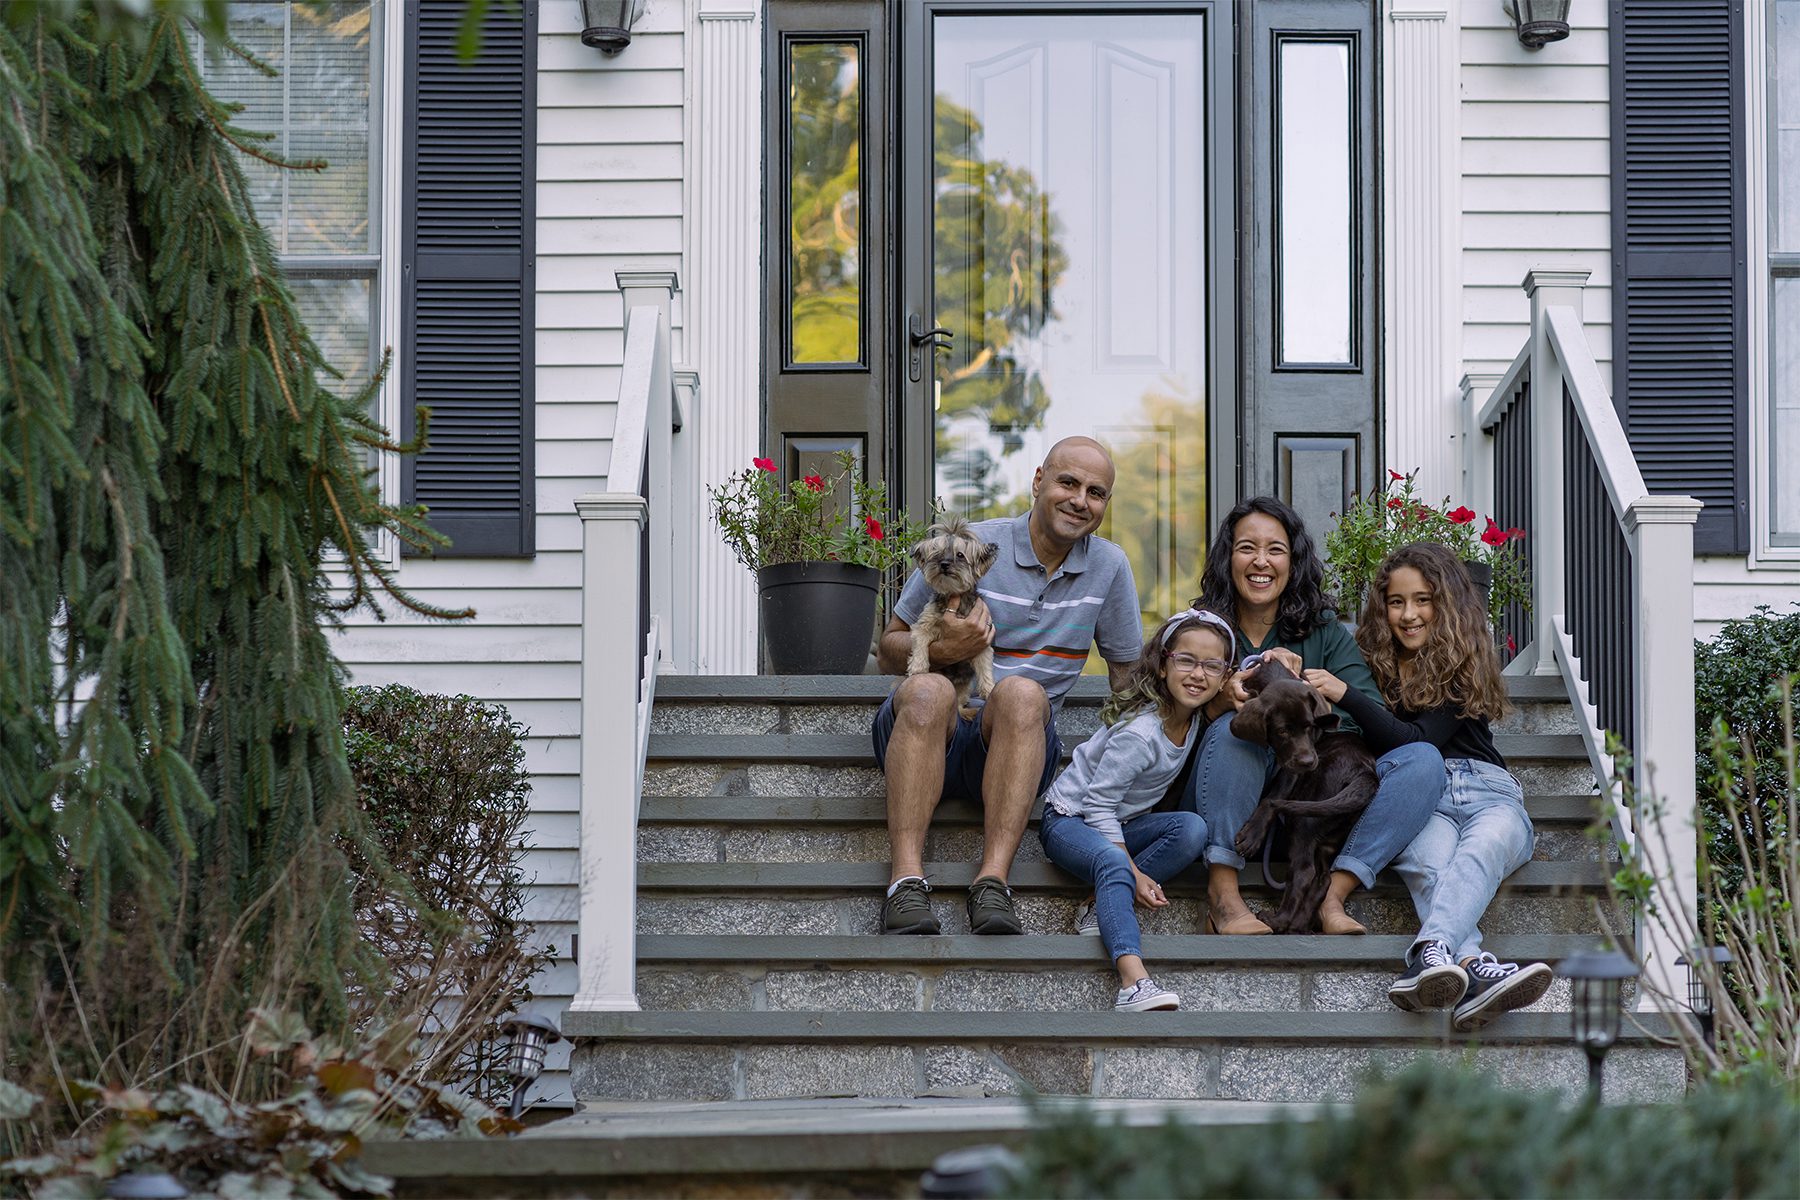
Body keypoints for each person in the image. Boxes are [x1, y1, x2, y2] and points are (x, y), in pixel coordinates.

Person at [872, 437, 1142, 935]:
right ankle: (905, 884)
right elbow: (889, 647)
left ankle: (992, 883)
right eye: (1067, 482)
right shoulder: (967, 547)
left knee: (1020, 693)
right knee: (926, 690)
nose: (1080, 500)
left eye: (1096, 492)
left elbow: (1128, 681)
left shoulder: (1109, 566)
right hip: (933, 727)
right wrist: (945, 650)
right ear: (1038, 481)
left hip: (1016, 746)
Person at [1303, 541, 1554, 1030]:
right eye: (1396, 602)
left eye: (1422, 600)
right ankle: (1473, 968)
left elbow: (1419, 742)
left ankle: (1427, 953)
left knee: (1481, 850)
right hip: (1426, 800)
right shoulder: (1375, 665)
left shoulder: (1464, 659)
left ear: (1445, 604)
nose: (1409, 614)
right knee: (1427, 865)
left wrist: (1345, 695)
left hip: (1488, 792)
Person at [1180, 497, 1443, 935]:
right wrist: (1217, 701)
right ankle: (1224, 896)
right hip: (1224, 812)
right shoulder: (1201, 629)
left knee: (1424, 761)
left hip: (1311, 808)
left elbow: (1366, 719)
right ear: (1228, 558)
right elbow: (1162, 723)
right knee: (1232, 729)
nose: (1261, 561)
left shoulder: (1322, 631)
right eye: (1247, 548)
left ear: (1294, 559)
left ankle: (1332, 894)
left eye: (1275, 549)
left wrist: (1300, 695)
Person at [1037, 609, 1234, 1011]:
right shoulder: (1141, 734)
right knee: (1113, 861)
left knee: (1192, 830)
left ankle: (1098, 905)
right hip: (1070, 820)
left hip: (1120, 822)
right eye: (1186, 660)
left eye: (1212, 666)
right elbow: (1098, 806)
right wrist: (1136, 872)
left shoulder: (1192, 715)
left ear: (1224, 678)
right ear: (1163, 665)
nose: (1198, 674)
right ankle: (1133, 982)